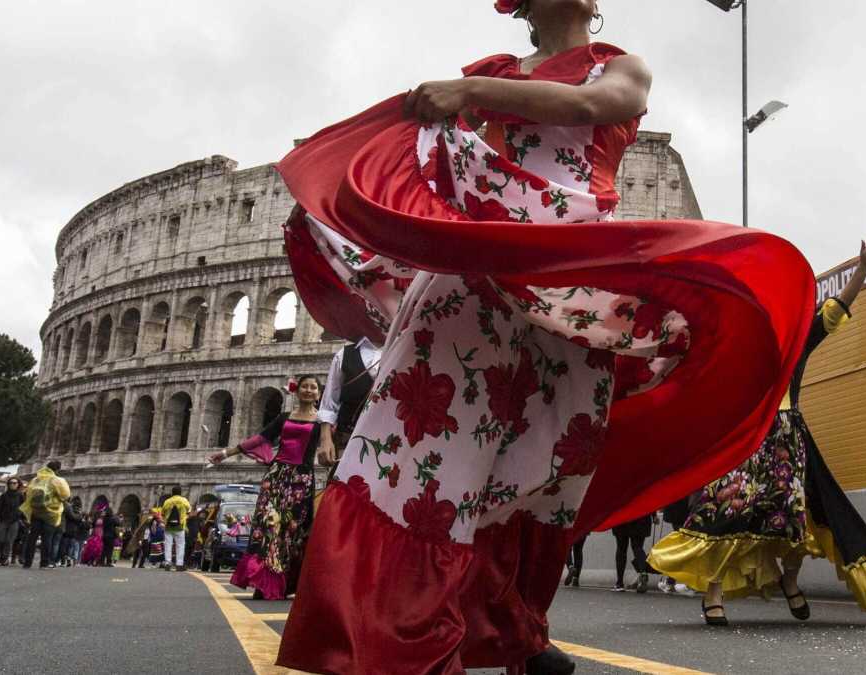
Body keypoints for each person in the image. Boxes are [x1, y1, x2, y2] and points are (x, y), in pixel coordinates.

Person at [273, 1, 816, 671]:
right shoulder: (498, 74)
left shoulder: (617, 68)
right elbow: (437, 161)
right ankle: (400, 640)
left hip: (573, 291)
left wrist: (469, 93)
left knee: (541, 466)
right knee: (429, 457)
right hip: (478, 279)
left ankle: (512, 628)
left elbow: (596, 106)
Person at [648, 235, 866, 625]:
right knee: (724, 509)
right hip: (744, 438)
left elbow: (836, 310)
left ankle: (789, 580)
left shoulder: (800, 337)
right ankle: (713, 593)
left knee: (791, 519)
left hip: (788, 441)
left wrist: (861, 269)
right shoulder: (734, 342)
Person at [209, 374, 323, 600]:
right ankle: (263, 583)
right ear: (296, 390)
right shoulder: (284, 417)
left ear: (319, 394)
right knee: (267, 526)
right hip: (276, 476)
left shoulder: (322, 422)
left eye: (313, 387)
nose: (308, 390)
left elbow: (335, 443)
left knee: (290, 531)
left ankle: (281, 582)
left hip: (300, 482)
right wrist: (226, 453)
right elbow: (260, 439)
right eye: (304, 386)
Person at [316, 338, 381, 472]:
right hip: (348, 438)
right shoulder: (344, 354)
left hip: (390, 439)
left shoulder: (406, 351)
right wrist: (325, 440)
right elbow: (329, 402)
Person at [18, 460, 71, 569]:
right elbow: (66, 495)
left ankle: (27, 562)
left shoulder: (36, 479)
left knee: (32, 537)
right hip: (51, 513)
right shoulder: (57, 480)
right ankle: (44, 563)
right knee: (47, 538)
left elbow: (28, 493)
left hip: (36, 511)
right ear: (57, 469)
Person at [656, 495, 692, 593]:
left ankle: (672, 581)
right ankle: (671, 581)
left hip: (679, 513)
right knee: (682, 547)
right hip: (684, 512)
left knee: (681, 548)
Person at [610, 512, 653, 593]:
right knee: (638, 548)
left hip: (621, 517)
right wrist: (654, 515)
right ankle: (643, 573)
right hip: (641, 517)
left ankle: (619, 583)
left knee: (621, 549)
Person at [0, 477, 25, 566]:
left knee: (9, 540)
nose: (12, 485)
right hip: (3, 519)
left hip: (15, 520)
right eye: (11, 483)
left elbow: (24, 508)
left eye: (15, 483)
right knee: (1, 539)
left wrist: (21, 517)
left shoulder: (20, 496)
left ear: (18, 484)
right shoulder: (4, 495)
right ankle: (2, 556)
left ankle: (5, 558)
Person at [161, 486, 191, 572]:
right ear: (180, 493)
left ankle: (168, 563)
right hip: (180, 526)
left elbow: (162, 513)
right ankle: (179, 564)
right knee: (180, 545)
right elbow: (189, 510)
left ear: (172, 493)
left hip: (168, 527)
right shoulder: (184, 500)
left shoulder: (167, 501)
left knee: (168, 545)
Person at [80, 497, 108, 566]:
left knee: (98, 548)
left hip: (101, 534)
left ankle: (96, 561)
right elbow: (92, 525)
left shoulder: (104, 518)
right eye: (103, 511)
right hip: (95, 534)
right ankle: (90, 560)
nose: (104, 513)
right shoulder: (97, 518)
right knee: (93, 547)